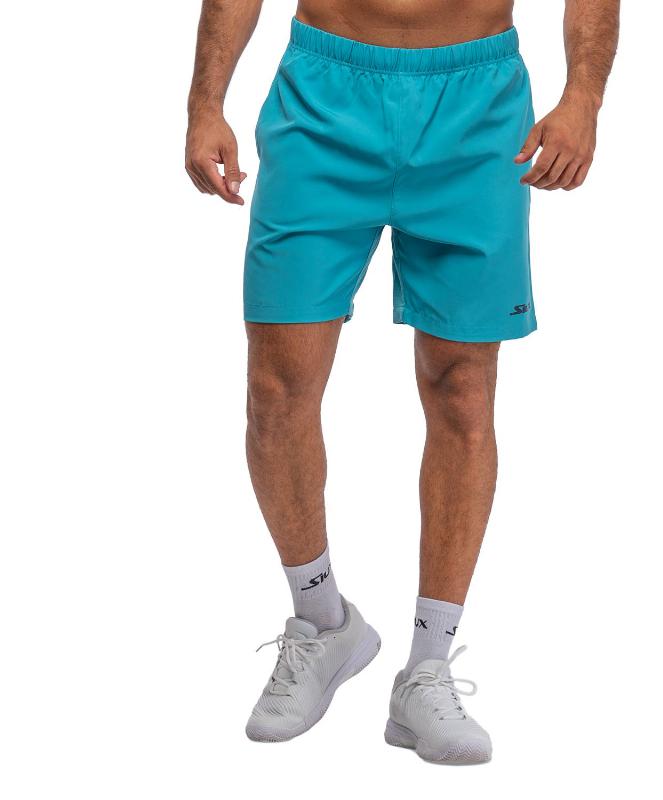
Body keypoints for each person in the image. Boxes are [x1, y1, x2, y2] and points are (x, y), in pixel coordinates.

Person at [185, 0, 619, 765]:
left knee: (462, 390)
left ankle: (427, 669)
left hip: (477, 108)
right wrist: (205, 103)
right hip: (324, 96)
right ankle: (323, 622)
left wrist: (583, 96)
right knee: (277, 390)